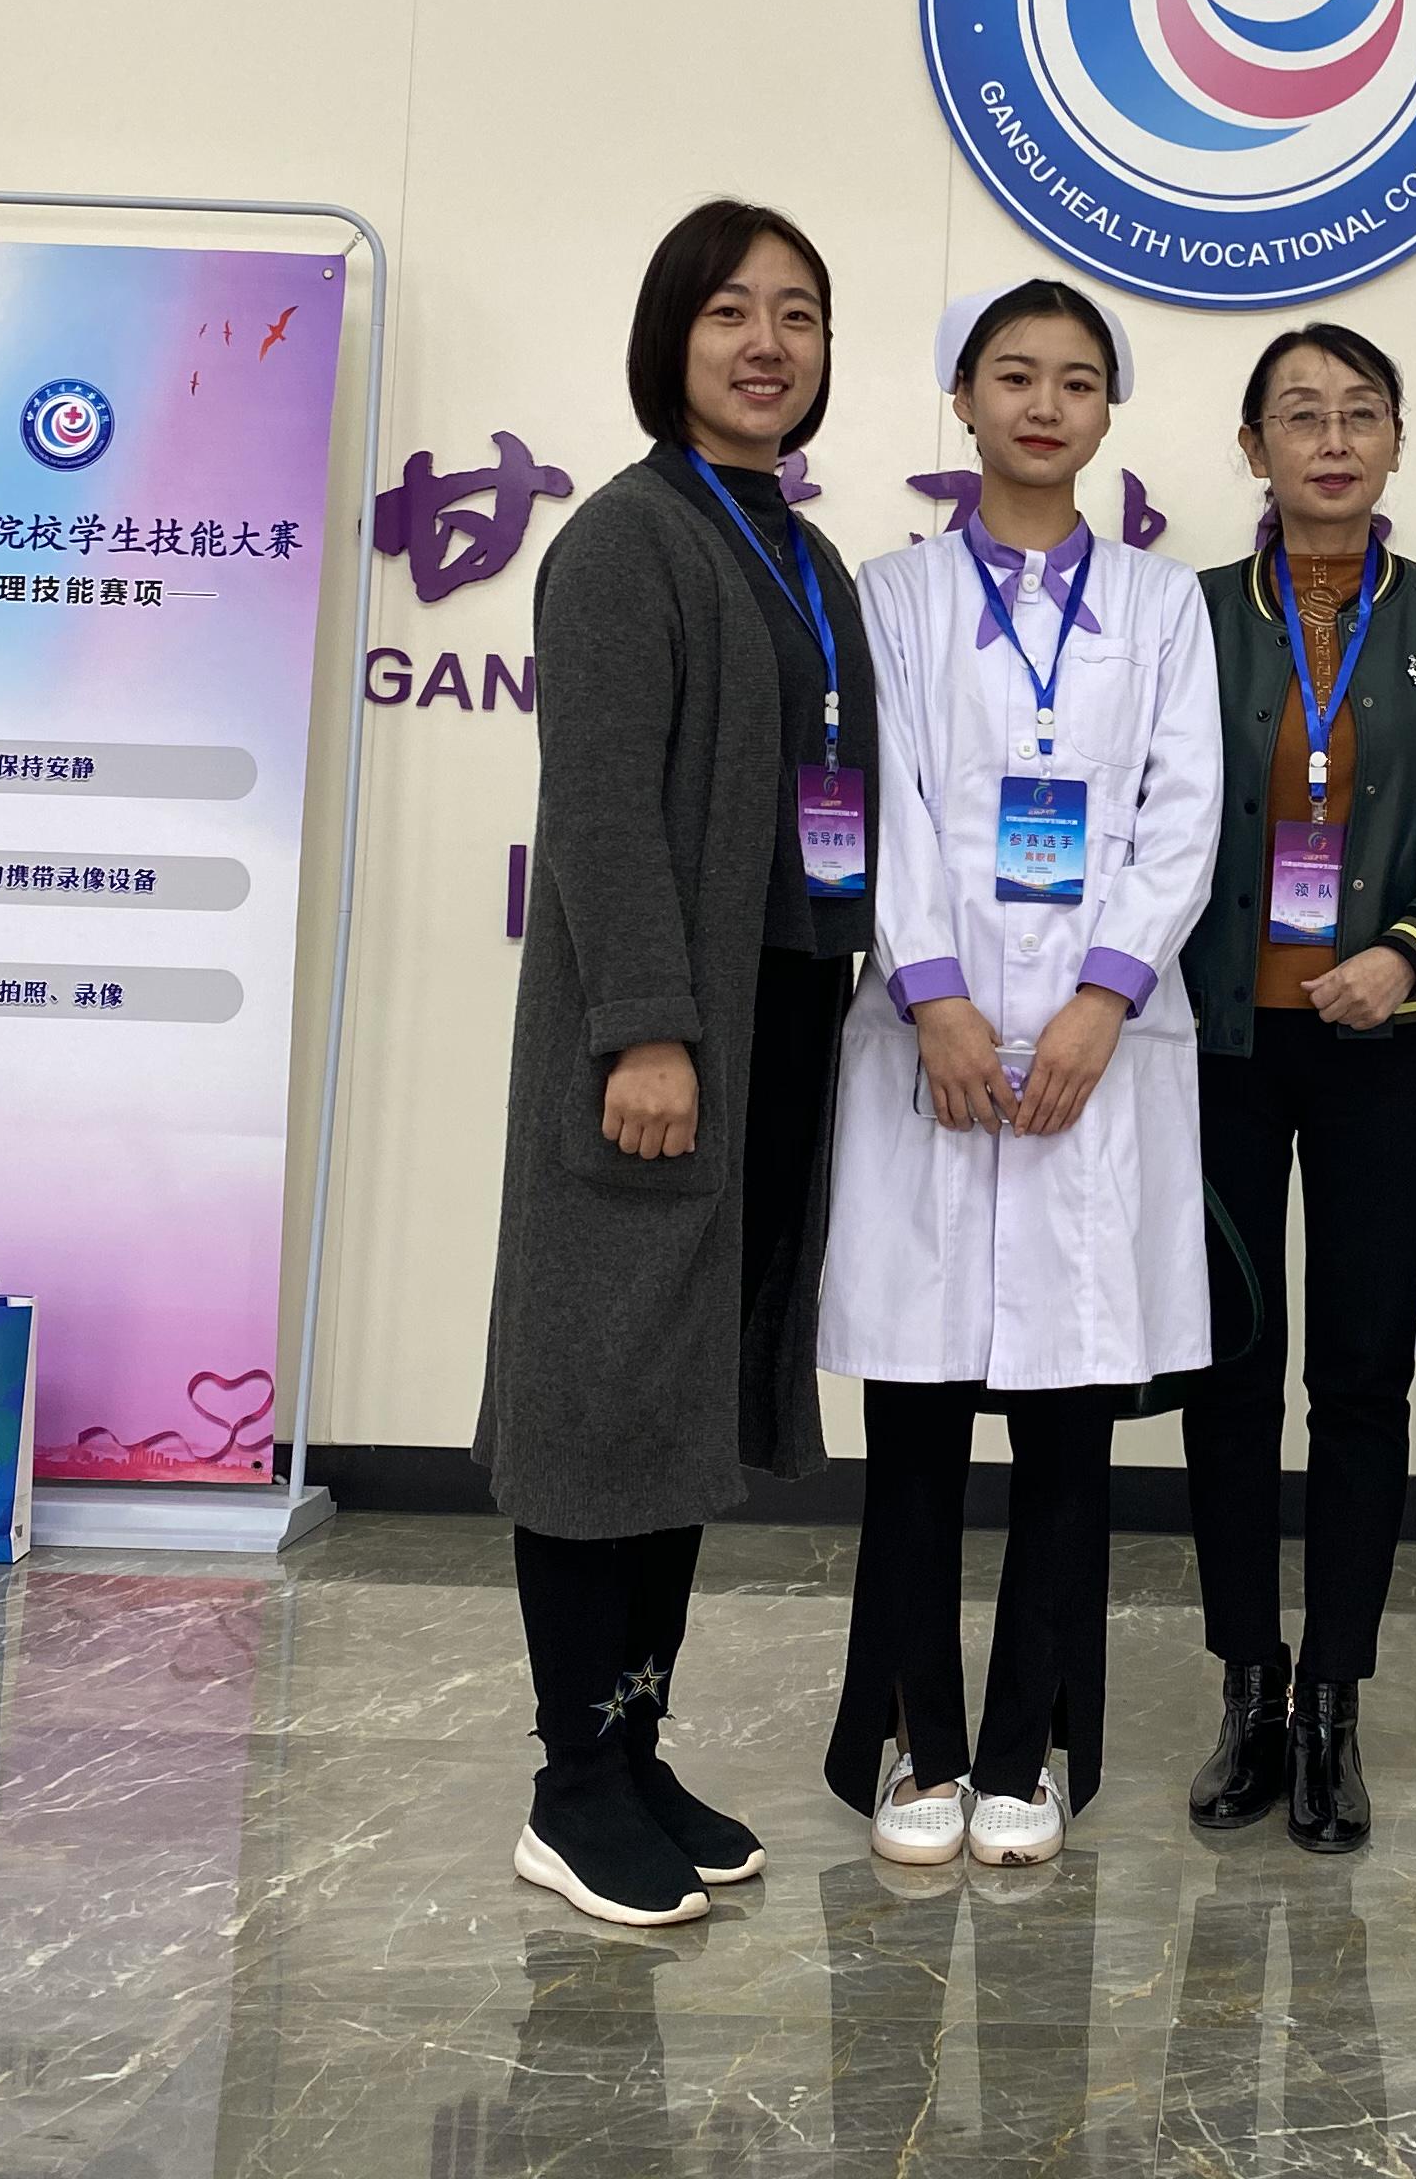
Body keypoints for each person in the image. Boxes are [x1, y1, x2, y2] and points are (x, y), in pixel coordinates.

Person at [476, 198, 874, 1933]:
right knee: (599, 1388)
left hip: (780, 1018)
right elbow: (597, 807)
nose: (766, 343)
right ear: (672, 338)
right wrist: (646, 1024)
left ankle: (635, 1747)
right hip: (660, 1036)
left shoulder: (803, 551)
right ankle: (569, 1784)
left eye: (797, 314)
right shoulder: (625, 539)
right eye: (730, 311)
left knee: (681, 1398)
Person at [817, 280, 1225, 1870]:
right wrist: (931, 995)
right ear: (964, 401)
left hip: (1096, 1055)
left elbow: (1182, 816)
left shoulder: (1163, 606)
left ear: (1109, 411)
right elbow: (879, 800)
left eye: (1075, 381)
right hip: (935, 1039)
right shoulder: (895, 595)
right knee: (918, 1416)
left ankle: (1033, 1746)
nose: (1044, 405)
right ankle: (915, 1744)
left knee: (1068, 1415)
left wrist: (1103, 998)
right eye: (1014, 377)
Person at [1175, 322, 1416, 1853]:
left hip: (1389, 1038)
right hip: (1218, 1045)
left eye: (1361, 413)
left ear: (1395, 442)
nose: (1331, 440)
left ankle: (1334, 1701)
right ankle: (1246, 1684)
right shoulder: (1187, 619)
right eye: (1299, 415)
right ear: (1253, 448)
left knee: (1361, 1378)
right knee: (1231, 1370)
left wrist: (1410, 947)